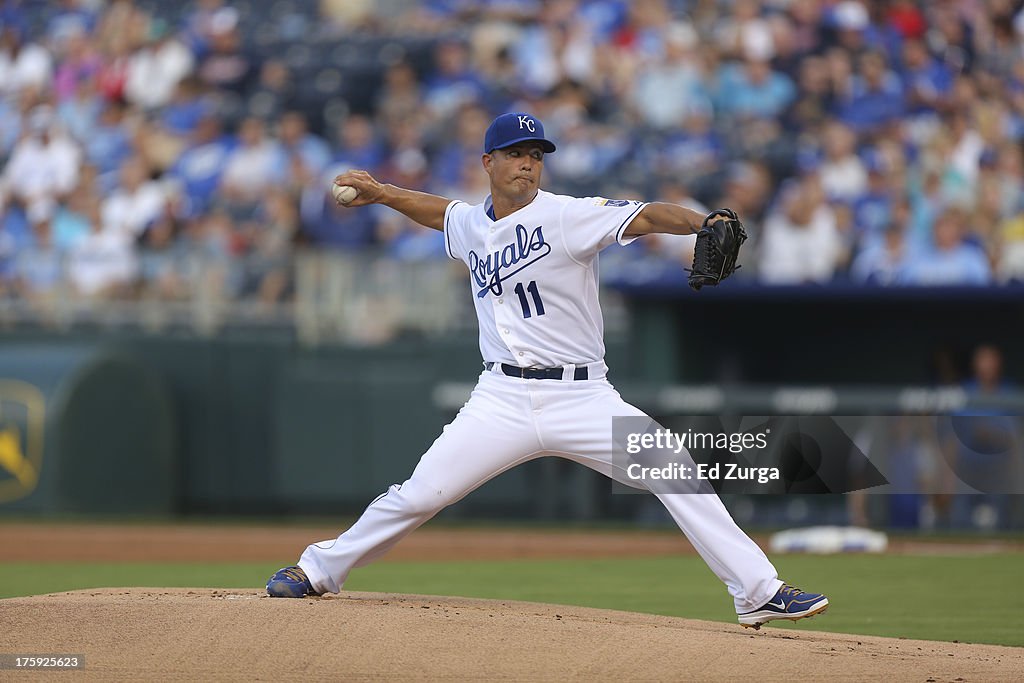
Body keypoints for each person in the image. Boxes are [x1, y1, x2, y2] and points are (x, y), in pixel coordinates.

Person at [266, 112, 829, 630]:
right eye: (515, 153)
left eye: (536, 154)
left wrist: (701, 221)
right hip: (500, 398)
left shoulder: (565, 215)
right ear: (488, 163)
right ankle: (319, 570)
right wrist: (383, 193)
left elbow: (646, 215)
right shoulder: (470, 224)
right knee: (419, 494)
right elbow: (442, 213)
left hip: (583, 396)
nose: (528, 163)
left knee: (673, 468)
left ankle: (757, 590)